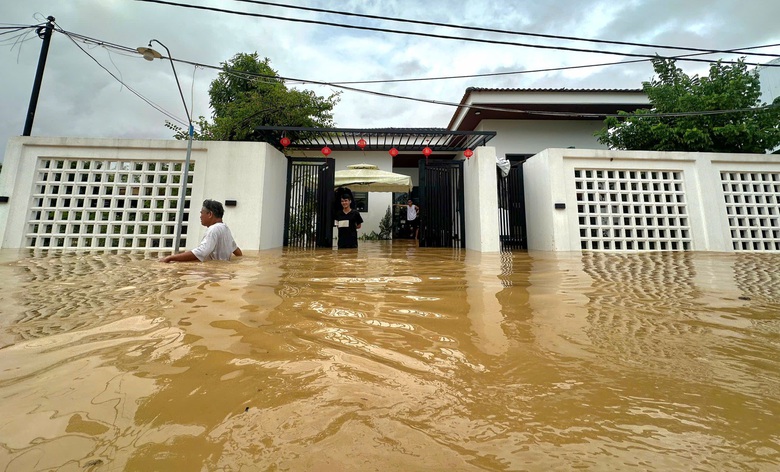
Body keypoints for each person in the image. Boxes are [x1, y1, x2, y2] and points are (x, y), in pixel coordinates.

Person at [160, 199, 242, 263]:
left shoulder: (213, 229)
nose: (200, 216)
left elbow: (201, 252)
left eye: (202, 213)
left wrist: (170, 258)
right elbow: (238, 252)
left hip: (212, 273)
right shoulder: (225, 229)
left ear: (210, 214)